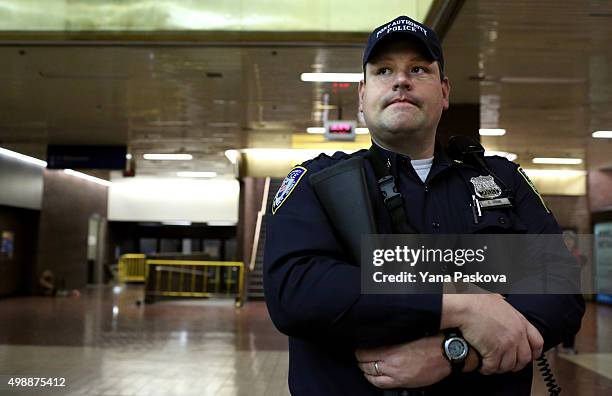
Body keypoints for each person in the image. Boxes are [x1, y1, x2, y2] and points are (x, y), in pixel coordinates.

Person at [264, 15, 584, 395]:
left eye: (418, 68)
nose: (401, 79)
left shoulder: (501, 180)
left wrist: (455, 353)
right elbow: (297, 291)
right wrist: (460, 305)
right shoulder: (318, 182)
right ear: (362, 96)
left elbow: (560, 291)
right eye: (384, 71)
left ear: (445, 91)